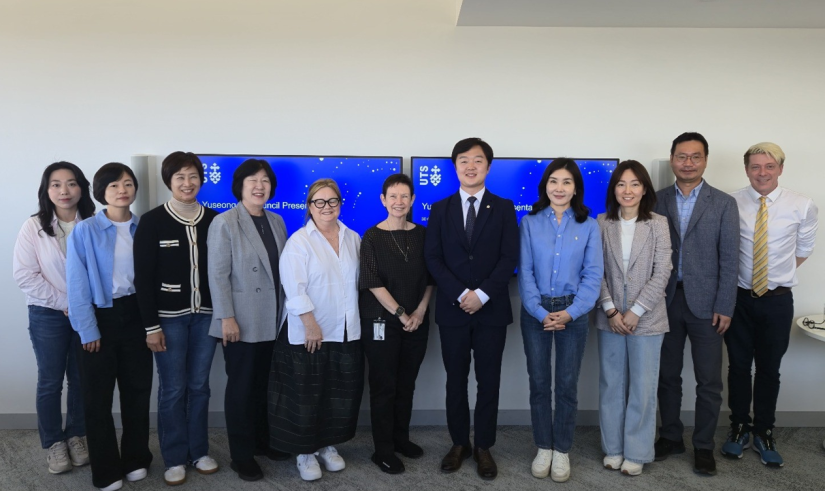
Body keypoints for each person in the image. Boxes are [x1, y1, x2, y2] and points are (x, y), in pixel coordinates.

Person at [423, 138, 519, 481]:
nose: (470, 166)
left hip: (491, 311)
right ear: (455, 167)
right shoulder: (440, 208)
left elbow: (509, 258)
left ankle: (484, 447)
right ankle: (460, 443)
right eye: (463, 160)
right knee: (455, 381)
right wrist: (463, 292)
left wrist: (482, 294)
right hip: (453, 310)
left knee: (488, 381)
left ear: (488, 167)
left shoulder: (504, 207)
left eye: (477, 160)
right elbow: (433, 258)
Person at [722, 142, 817, 467]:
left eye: (769, 166)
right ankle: (738, 428)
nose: (762, 173)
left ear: (780, 168)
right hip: (738, 299)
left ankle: (764, 431)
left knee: (768, 370)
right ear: (747, 169)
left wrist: (774, 276)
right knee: (737, 367)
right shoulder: (731, 202)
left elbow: (804, 249)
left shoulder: (802, 205)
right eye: (755, 167)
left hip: (777, 302)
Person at [653, 132, 740, 476]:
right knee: (667, 377)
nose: (688, 163)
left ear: (705, 160)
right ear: (672, 158)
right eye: (682, 156)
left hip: (708, 306)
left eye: (695, 156)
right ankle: (671, 436)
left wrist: (726, 304)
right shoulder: (656, 200)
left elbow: (730, 257)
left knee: (709, 382)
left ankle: (703, 446)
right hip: (666, 300)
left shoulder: (723, 203)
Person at [133, 152, 220, 485]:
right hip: (167, 321)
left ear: (202, 179)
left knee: (199, 387)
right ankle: (173, 457)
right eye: (180, 177)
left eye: (193, 176)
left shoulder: (215, 220)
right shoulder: (152, 221)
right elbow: (143, 279)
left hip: (206, 319)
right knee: (172, 389)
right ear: (169, 181)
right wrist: (150, 326)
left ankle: (199, 451)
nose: (188, 183)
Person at [66, 163, 153, 491]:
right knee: (97, 398)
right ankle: (105, 470)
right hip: (99, 317)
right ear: (101, 191)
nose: (122, 190)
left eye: (128, 183)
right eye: (114, 185)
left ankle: (135, 458)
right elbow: (76, 284)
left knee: (137, 392)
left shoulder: (143, 228)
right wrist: (87, 329)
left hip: (137, 316)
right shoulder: (85, 230)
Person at [270, 178, 363, 482]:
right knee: (305, 394)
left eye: (332, 201)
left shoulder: (353, 238)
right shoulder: (299, 241)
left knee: (335, 392)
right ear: (309, 207)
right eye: (319, 202)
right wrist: (310, 325)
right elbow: (294, 287)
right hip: (309, 333)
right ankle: (304, 451)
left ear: (340, 204)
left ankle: (325, 445)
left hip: (344, 329)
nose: (327, 207)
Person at [518, 158, 603, 483]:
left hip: (574, 312)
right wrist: (540, 312)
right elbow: (524, 273)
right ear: (545, 186)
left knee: (566, 385)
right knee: (539, 384)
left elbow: (593, 275)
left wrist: (571, 312)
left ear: (576, 188)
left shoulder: (589, 225)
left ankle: (563, 450)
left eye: (567, 182)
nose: (559, 188)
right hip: (535, 312)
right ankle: (544, 447)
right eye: (554, 181)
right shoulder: (529, 223)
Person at [207, 158, 289, 482]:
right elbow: (217, 275)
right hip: (241, 319)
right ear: (239, 186)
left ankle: (262, 442)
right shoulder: (225, 222)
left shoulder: (277, 220)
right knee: (240, 389)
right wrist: (226, 317)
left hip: (272, 319)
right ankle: (241, 456)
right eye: (253, 180)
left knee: (265, 386)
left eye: (265, 180)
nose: (260, 186)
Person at [13, 162, 95, 475]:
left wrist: (81, 306)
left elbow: (104, 272)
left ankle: (76, 435)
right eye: (56, 184)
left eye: (71, 183)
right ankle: (53, 442)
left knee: (81, 379)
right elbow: (25, 275)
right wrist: (66, 302)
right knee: (50, 382)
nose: (64, 191)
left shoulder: (94, 223)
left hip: (87, 313)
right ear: (47, 191)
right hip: (48, 314)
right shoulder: (33, 226)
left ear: (82, 188)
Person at [595, 161, 671, 477]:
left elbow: (663, 270)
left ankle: (638, 452)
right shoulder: (601, 223)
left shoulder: (658, 224)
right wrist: (611, 309)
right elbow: (593, 270)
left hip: (648, 319)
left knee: (643, 386)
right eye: (622, 184)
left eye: (635, 184)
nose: (628, 190)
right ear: (614, 189)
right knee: (612, 384)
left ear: (644, 189)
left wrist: (635, 311)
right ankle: (613, 448)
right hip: (609, 317)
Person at [359, 173, 434, 474]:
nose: (399, 202)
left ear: (413, 200)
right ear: (383, 200)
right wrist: (403, 313)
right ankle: (383, 450)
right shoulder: (372, 236)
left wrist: (420, 312)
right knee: (384, 386)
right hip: (381, 321)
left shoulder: (423, 235)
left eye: (405, 196)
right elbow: (371, 281)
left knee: (406, 384)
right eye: (393, 196)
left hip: (417, 321)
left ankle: (400, 439)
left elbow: (430, 279)